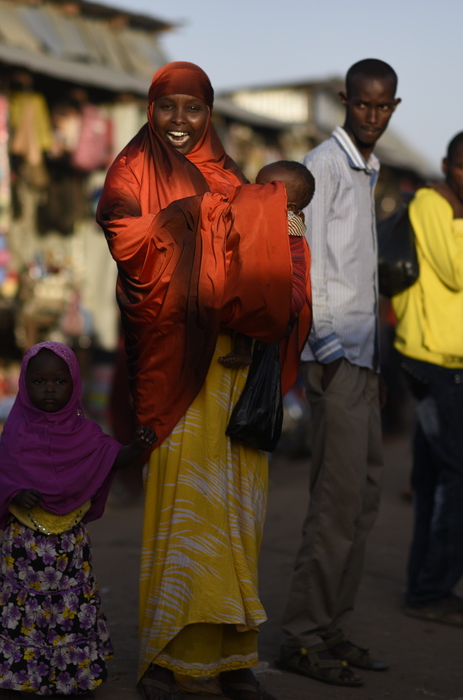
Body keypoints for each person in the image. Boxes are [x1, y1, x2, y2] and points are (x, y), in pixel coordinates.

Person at [96, 62, 312, 700]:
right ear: (151, 109)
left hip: (234, 369)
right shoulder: (130, 173)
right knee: (183, 512)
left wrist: (270, 231)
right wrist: (198, 218)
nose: (181, 122)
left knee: (238, 514)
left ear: (210, 112)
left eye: (194, 108)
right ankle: (165, 659)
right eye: (169, 108)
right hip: (177, 370)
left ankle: (232, 658)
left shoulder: (235, 178)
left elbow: (269, 257)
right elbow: (128, 242)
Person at [276, 58, 400, 688]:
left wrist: (370, 365)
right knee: (335, 504)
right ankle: (301, 636)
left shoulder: (369, 167)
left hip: (362, 360)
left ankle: (330, 628)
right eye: (363, 105)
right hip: (337, 360)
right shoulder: (323, 165)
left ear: (393, 107)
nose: (373, 116)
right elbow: (309, 261)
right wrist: (328, 354)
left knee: (364, 501)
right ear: (345, 102)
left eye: (384, 107)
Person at [0, 341, 157, 696]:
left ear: (74, 385)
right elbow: (4, 473)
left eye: (59, 381)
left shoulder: (84, 432)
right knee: (22, 610)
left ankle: (72, 674)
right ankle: (18, 674)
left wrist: (137, 447)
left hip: (69, 546)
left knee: (69, 607)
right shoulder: (18, 429)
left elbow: (111, 458)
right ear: (24, 383)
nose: (49, 388)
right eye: (39, 381)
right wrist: (18, 492)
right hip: (25, 546)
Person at [391, 130, 463, 629]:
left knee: (433, 479)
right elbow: (455, 273)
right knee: (462, 476)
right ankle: (432, 589)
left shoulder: (458, 211)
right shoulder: (437, 205)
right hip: (432, 361)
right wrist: (461, 223)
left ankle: (424, 587)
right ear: (448, 164)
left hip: (447, 358)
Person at [220, 160, 315, 368]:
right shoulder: (291, 216)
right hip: (290, 296)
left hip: (285, 293)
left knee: (245, 297)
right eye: (255, 184)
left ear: (289, 206)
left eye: (265, 188)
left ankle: (243, 350)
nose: (254, 190)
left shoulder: (280, 221)